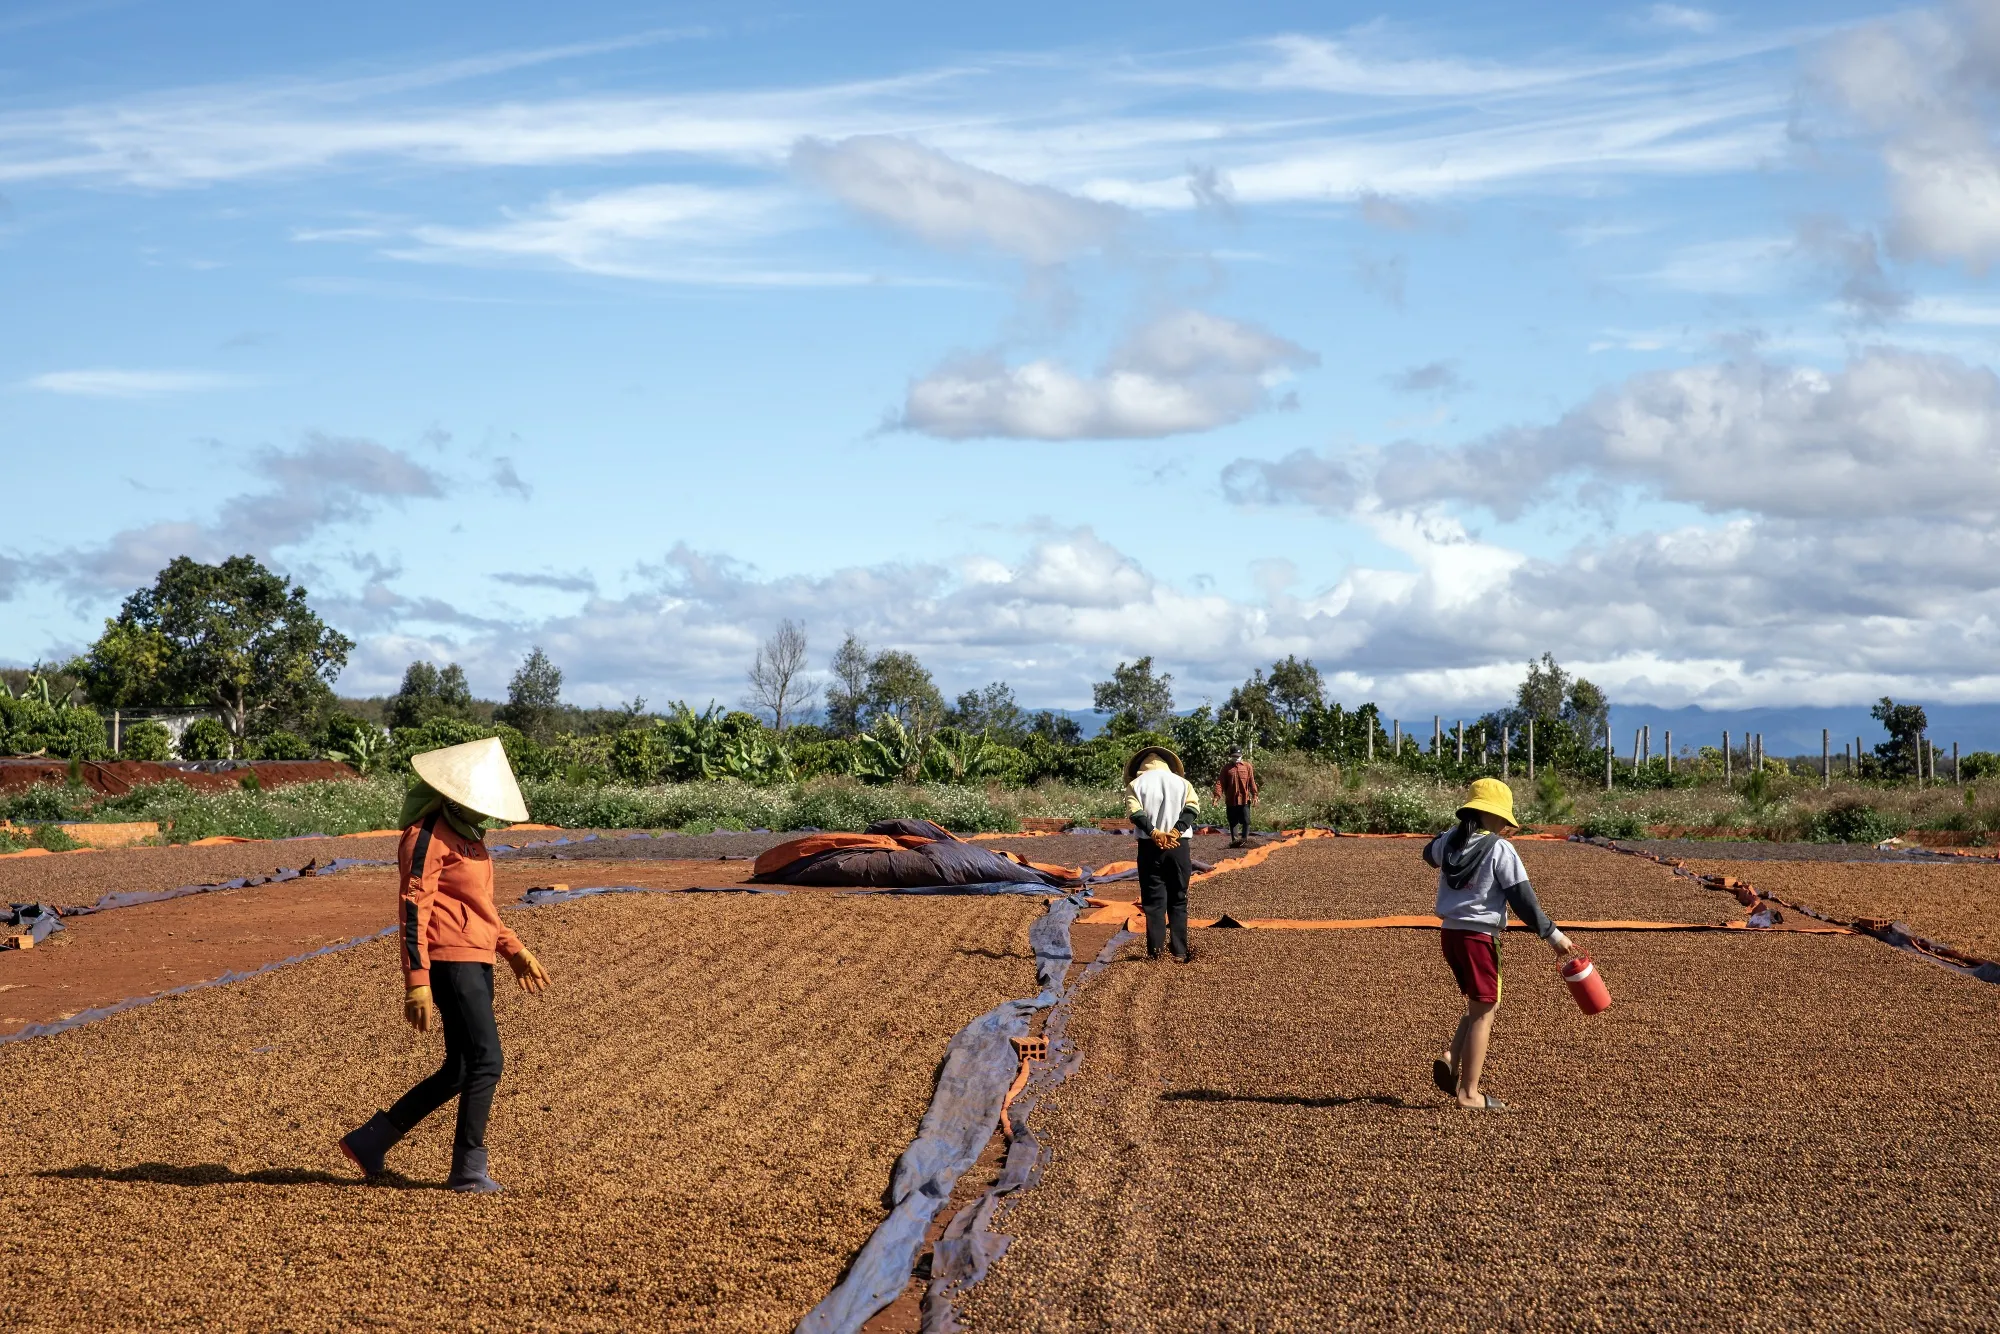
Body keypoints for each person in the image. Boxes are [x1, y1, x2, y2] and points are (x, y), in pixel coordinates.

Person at [339, 737, 551, 1191]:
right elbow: (413, 909)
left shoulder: (471, 838)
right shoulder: (427, 836)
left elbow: (479, 906)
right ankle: (468, 1168)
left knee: (459, 1067)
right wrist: (416, 981)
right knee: (486, 1060)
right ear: (455, 796)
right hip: (450, 963)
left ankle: (371, 1140)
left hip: (477, 959)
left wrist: (513, 949)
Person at [1423, 777, 1573, 1111]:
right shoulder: (1500, 848)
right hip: (1479, 938)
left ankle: (1451, 1057)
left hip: (1450, 934)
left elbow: (1427, 854)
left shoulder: (1449, 841)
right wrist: (1553, 935)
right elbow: (1522, 900)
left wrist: (1451, 834)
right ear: (1496, 816)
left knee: (1476, 1004)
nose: (1506, 825)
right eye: (1505, 819)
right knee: (1486, 1009)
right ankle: (1469, 1093)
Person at [1124, 744, 1200, 962]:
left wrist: (1155, 833)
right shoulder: (1183, 784)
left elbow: (1135, 813)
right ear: (1167, 765)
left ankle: (1156, 953)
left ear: (1141, 767)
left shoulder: (1135, 785)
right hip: (1179, 846)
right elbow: (1192, 809)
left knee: (1154, 902)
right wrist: (1176, 831)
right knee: (1178, 898)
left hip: (1150, 847)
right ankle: (1179, 952)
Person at [1214, 746, 1259, 847]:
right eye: (1234, 756)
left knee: (1246, 821)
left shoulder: (1247, 766)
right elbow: (1220, 783)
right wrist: (1216, 797)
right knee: (1233, 822)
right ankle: (1235, 842)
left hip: (1244, 799)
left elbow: (1252, 782)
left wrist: (1255, 795)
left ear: (1241, 755)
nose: (1236, 758)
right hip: (1231, 800)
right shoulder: (1226, 768)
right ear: (1230, 756)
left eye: (1238, 756)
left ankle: (1244, 840)